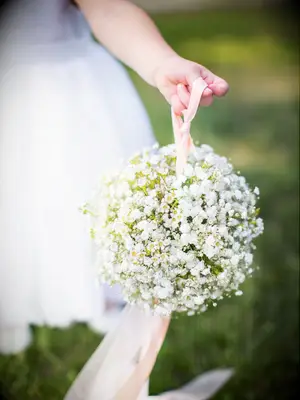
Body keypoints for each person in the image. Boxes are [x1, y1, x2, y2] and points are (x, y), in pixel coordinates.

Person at [0, 0, 229, 354]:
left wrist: (162, 62)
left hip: (67, 85)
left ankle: (103, 293)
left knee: (83, 191)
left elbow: (107, 8)